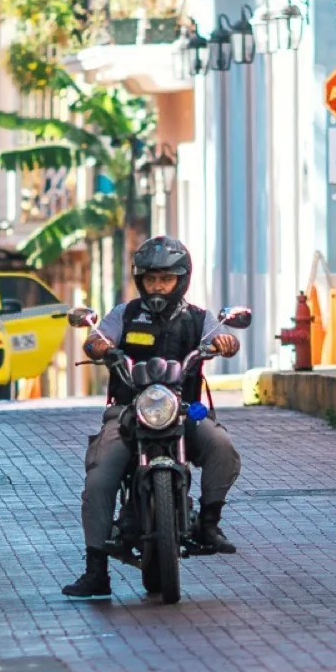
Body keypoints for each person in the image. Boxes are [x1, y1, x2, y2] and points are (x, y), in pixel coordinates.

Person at [61, 236, 243, 599]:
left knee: (222, 446)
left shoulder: (198, 318)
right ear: (140, 280)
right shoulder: (124, 314)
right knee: (100, 478)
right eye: (150, 279)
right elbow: (97, 340)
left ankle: (209, 523)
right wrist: (100, 347)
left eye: (166, 279)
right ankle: (96, 569)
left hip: (183, 410)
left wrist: (226, 343)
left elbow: (225, 338)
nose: (157, 287)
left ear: (181, 280)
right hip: (129, 412)